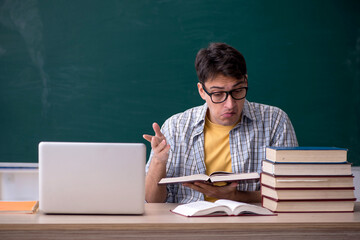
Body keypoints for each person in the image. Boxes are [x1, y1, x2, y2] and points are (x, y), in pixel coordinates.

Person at [143, 42, 298, 203]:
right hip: (187, 225)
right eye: (218, 94)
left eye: (238, 90)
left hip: (252, 224)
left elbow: (291, 190)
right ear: (202, 91)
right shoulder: (175, 127)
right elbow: (152, 201)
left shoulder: (275, 122)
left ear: (245, 81)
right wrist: (158, 161)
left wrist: (235, 196)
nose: (230, 104)